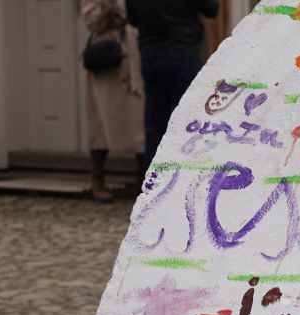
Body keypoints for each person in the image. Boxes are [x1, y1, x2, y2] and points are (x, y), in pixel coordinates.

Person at [126, 0, 220, 164]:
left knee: (155, 126)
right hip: (183, 55)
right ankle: (186, 174)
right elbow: (211, 9)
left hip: (151, 57)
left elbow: (133, 20)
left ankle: (152, 176)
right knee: (189, 123)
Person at [82, 0, 146, 202]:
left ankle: (143, 178)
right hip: (107, 56)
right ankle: (97, 179)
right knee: (100, 120)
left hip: (135, 54)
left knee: (140, 119)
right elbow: (93, 22)